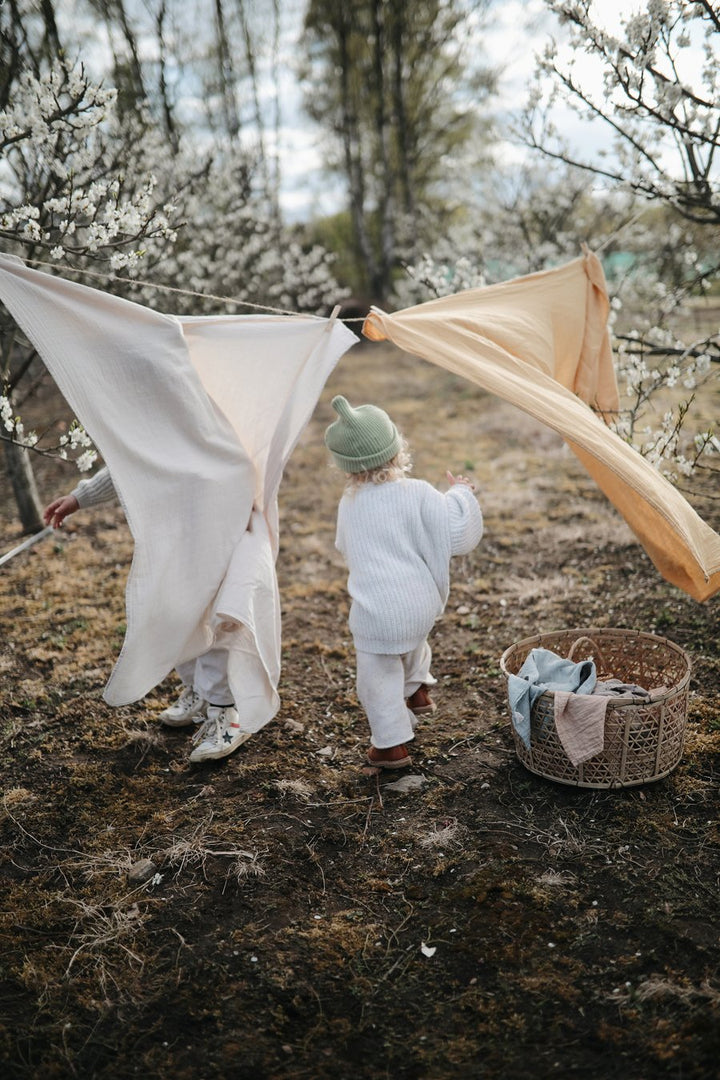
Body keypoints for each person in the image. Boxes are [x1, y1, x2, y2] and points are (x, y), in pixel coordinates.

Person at [43, 467, 250, 763]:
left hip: (218, 521)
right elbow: (141, 449)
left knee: (217, 616)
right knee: (177, 612)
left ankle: (224, 709)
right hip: (171, 529)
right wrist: (81, 496)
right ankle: (198, 691)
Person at [324, 395, 483, 770]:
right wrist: (461, 492)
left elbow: (343, 545)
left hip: (377, 611)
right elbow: (457, 534)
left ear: (345, 466)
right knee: (412, 639)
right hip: (421, 603)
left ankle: (390, 745)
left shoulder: (349, 505)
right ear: (396, 449)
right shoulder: (421, 493)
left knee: (377, 675)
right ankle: (418, 692)